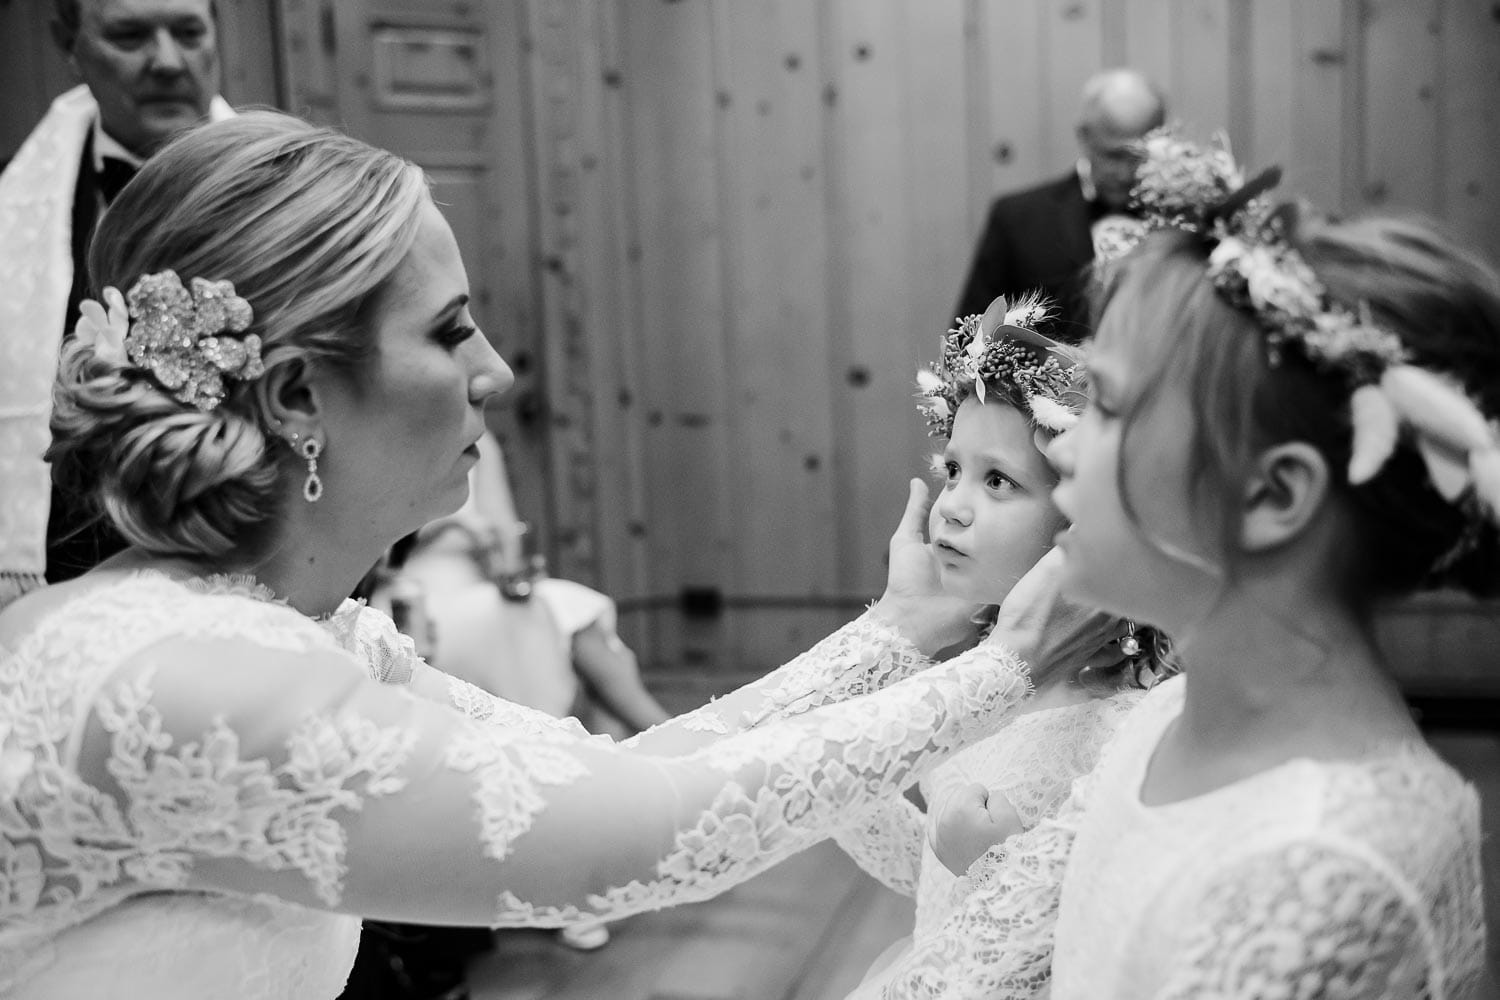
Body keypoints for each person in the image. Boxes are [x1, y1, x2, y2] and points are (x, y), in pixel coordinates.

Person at [0, 111, 1113, 999]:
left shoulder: (304, 630)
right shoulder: (188, 679)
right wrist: (1004, 666)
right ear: (297, 396)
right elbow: (638, 842)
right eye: (447, 331)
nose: (495, 370)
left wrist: (901, 634)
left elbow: (620, 774)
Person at [874, 131, 1494, 998]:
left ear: (1273, 494)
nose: (1068, 445)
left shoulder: (1324, 866)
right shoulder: (1165, 717)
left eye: (1114, 407)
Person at [829, 295, 1169, 998]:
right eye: (953, 469)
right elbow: (929, 870)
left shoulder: (1119, 730)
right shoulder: (972, 685)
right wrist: (844, 773)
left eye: (998, 481)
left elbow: (1090, 940)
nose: (952, 504)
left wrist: (988, 864)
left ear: (1084, 522)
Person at [0, 0, 231, 602]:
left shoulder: (296, 190)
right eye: (129, 35)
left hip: (253, 549)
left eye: (188, 31)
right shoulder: (12, 208)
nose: (167, 61)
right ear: (68, 42)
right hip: (69, 574)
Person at [953, 67, 1165, 343]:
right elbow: (969, 341)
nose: (1125, 173)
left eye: (1138, 156)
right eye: (1113, 156)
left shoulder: (1193, 222)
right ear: (1084, 136)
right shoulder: (1018, 220)